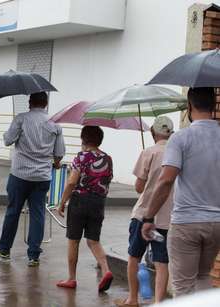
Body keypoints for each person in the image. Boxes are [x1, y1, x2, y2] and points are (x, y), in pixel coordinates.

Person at [141, 87, 220, 297]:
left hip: (187, 222)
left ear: (190, 106)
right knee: (203, 277)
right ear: (213, 106)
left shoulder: (181, 138)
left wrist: (148, 217)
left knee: (183, 286)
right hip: (217, 222)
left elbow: (166, 180)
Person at [0, 92, 65, 267]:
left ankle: (4, 248)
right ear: (46, 103)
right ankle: (33, 255)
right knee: (38, 214)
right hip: (42, 176)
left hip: (20, 175)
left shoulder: (21, 119)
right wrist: (55, 164)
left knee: (13, 211)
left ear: (29, 103)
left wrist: (9, 131)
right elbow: (59, 153)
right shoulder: (55, 124)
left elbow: (8, 140)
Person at [115, 117, 175, 307]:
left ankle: (132, 299)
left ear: (152, 133)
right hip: (165, 219)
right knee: (161, 262)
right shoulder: (177, 153)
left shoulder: (148, 152)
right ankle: (159, 302)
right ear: (171, 133)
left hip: (143, 215)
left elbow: (139, 187)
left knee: (134, 256)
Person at [57, 126, 114, 292]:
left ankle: (71, 279)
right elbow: (107, 180)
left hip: (80, 201)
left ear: (83, 139)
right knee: (93, 240)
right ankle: (106, 270)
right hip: (99, 202)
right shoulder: (108, 158)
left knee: (74, 240)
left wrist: (62, 202)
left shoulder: (81, 157)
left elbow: (72, 182)